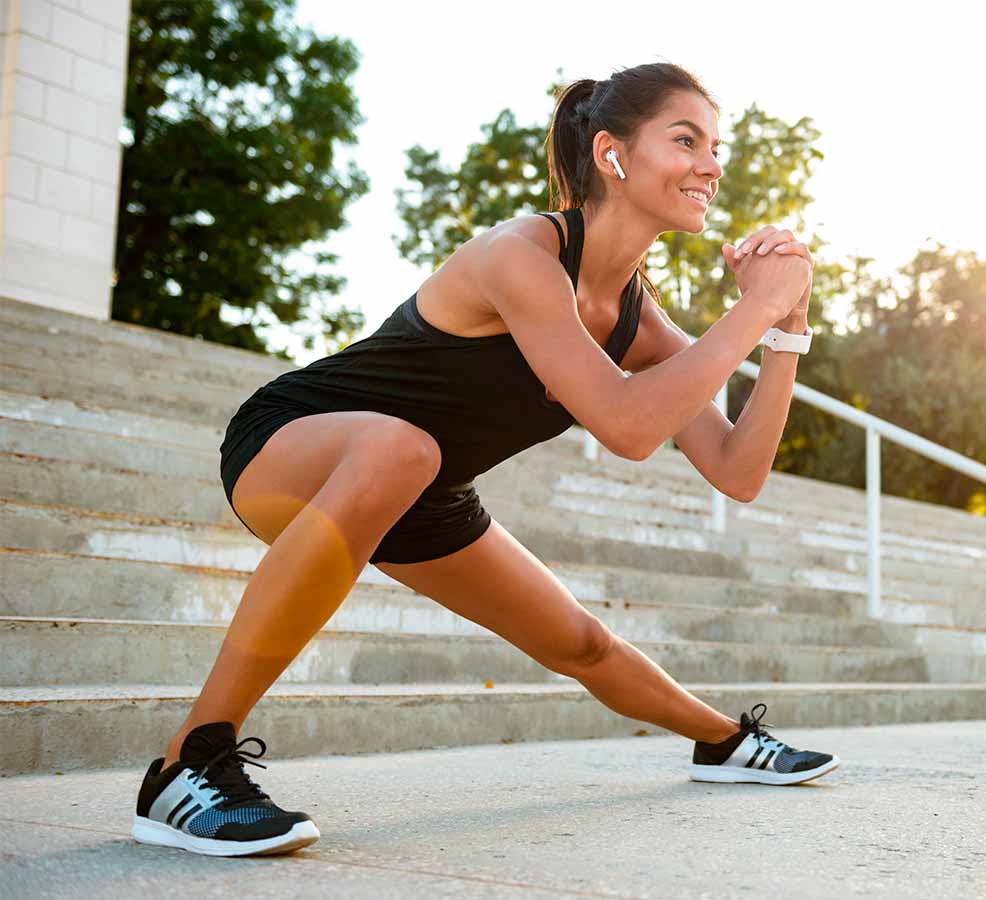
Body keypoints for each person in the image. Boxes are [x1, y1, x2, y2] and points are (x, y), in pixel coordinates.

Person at [131, 62, 838, 858]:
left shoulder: (638, 320)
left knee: (582, 643)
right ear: (612, 154)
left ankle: (727, 743)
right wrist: (753, 306)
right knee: (403, 447)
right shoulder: (521, 254)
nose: (712, 164)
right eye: (686, 140)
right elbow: (627, 427)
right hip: (296, 441)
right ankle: (186, 767)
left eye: (717, 147)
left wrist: (786, 333)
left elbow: (738, 472)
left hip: (419, 487)